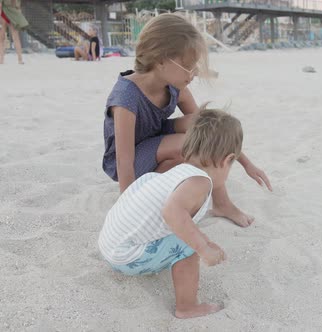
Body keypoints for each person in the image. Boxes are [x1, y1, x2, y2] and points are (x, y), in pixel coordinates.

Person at [102, 13, 271, 228]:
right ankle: (220, 202)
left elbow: (211, 129)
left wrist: (247, 163)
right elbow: (123, 161)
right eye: (188, 66)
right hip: (129, 162)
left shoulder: (174, 85)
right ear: (161, 59)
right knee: (191, 144)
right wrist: (126, 210)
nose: (192, 74)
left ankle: (218, 204)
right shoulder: (127, 97)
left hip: (156, 148)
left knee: (200, 125)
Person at [99, 109, 242, 319]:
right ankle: (187, 307)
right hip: (125, 257)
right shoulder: (199, 182)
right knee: (188, 246)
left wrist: (204, 240)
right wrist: (202, 248)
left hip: (110, 244)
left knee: (187, 231)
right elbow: (171, 212)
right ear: (226, 160)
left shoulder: (177, 171)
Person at [0, 0, 28, 64]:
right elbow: (18, 7)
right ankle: (20, 59)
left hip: (7, 12)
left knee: (3, 38)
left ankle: (1, 60)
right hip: (10, 12)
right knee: (15, 37)